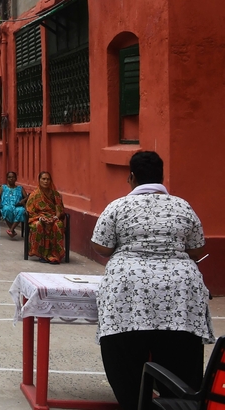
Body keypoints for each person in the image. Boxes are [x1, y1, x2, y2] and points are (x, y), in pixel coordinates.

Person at [91, 151, 213, 410]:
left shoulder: (118, 206)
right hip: (180, 294)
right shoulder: (183, 206)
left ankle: (135, 403)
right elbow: (197, 249)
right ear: (162, 176)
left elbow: (101, 246)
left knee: (123, 355)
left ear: (131, 177)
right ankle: (176, 404)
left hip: (128, 292)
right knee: (180, 359)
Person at [25, 171, 65, 264]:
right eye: (43, 179)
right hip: (38, 218)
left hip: (53, 217)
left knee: (58, 225)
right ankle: (42, 254)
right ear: (39, 180)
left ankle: (54, 255)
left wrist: (54, 218)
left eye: (48, 179)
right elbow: (30, 211)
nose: (46, 181)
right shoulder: (34, 195)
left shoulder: (56, 195)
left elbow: (59, 210)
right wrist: (40, 218)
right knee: (38, 225)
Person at [0, 171, 27, 238]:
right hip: (6, 205)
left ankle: (11, 229)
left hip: (17, 206)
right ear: (7, 178)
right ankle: (12, 230)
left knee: (21, 210)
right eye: (9, 177)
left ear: (16, 179)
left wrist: (23, 200)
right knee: (6, 209)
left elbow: (27, 197)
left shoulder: (20, 188)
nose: (11, 179)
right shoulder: (3, 187)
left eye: (13, 177)